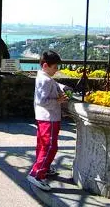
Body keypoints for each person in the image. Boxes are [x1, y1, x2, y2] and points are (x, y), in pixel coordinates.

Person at [26, 50, 67, 191]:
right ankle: (37, 174)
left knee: (43, 146)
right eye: (55, 67)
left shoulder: (43, 76)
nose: (57, 70)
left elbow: (53, 85)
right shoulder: (46, 80)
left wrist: (62, 88)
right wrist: (58, 100)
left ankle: (45, 167)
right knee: (50, 147)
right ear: (45, 65)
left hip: (45, 118)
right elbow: (41, 101)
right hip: (48, 118)